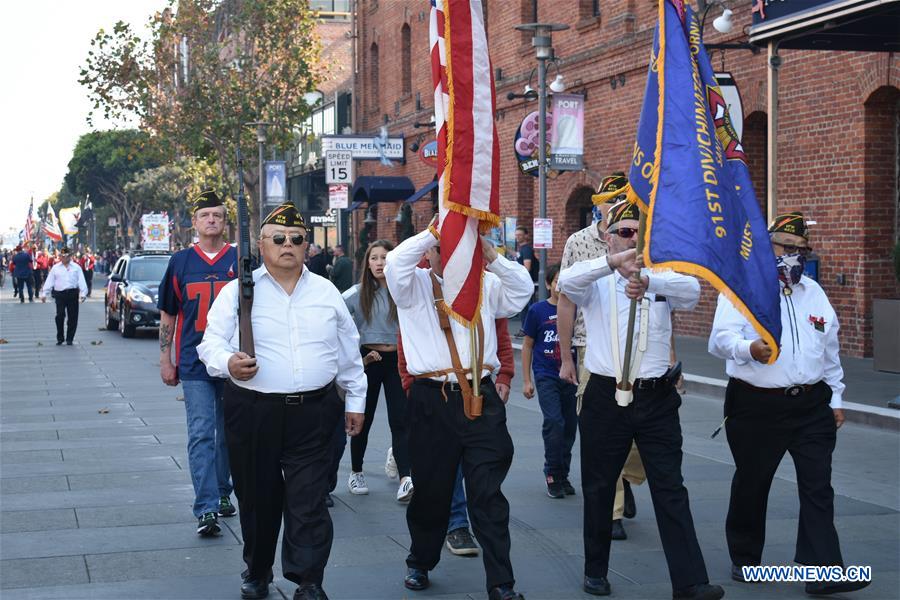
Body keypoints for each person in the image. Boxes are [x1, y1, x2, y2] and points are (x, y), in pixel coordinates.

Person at [198, 203, 366, 600]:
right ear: (261, 245)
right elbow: (210, 344)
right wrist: (228, 362)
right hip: (253, 411)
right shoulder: (237, 291)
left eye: (296, 239)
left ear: (308, 245)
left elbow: (349, 352)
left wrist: (356, 398)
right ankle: (257, 569)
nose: (287, 245)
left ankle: (308, 580)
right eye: (278, 238)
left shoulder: (326, 292)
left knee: (309, 501)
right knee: (258, 499)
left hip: (314, 411)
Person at [559, 200, 723, 600]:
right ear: (609, 237)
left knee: (671, 487)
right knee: (599, 487)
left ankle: (690, 582)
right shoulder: (596, 278)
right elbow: (566, 283)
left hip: (655, 397)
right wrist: (613, 265)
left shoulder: (662, 276)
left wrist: (650, 281)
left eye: (640, 232)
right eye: (626, 233)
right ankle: (595, 569)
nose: (634, 240)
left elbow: (693, 292)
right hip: (605, 394)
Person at [708, 212, 869, 596]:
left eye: (801, 250)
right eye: (786, 248)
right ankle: (745, 557)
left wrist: (837, 397)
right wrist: (748, 348)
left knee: (818, 485)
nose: (794, 256)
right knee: (753, 481)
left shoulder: (814, 292)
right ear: (767, 248)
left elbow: (829, 350)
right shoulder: (742, 287)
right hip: (756, 405)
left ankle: (822, 569)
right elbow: (719, 339)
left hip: (811, 404)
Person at [385, 222, 532, 600]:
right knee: (431, 493)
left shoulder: (486, 284)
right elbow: (395, 262)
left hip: (481, 400)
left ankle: (502, 582)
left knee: (488, 495)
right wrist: (440, 228)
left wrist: (491, 254)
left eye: (457, 250)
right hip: (432, 401)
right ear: (429, 253)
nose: (450, 257)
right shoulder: (413, 286)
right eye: (442, 249)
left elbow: (522, 290)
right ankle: (420, 560)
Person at [558, 173, 646, 540]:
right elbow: (565, 297)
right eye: (609, 201)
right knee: (604, 429)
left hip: (638, 349)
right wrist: (565, 357)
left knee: (639, 437)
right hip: (591, 344)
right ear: (599, 207)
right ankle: (611, 514)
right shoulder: (579, 242)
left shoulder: (643, 238)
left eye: (622, 199)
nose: (615, 207)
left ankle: (626, 477)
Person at [397, 312, 516, 558]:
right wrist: (410, 383)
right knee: (431, 486)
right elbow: (405, 334)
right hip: (433, 393)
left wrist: (505, 372)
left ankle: (501, 581)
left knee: (487, 487)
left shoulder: (485, 277)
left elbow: (499, 324)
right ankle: (421, 559)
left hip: (478, 392)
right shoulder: (420, 277)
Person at [157, 191, 238, 538]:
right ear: (195, 222)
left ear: (224, 221)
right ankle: (206, 507)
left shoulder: (239, 257)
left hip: (234, 361)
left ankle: (222, 493)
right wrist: (166, 358)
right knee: (202, 433)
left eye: (217, 215)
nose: (211, 220)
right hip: (193, 361)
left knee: (229, 435)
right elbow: (169, 314)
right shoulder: (180, 262)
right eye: (205, 215)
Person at [341, 240, 413, 502]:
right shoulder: (356, 293)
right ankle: (356, 471)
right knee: (363, 418)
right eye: (375, 258)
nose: (380, 263)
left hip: (397, 361)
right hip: (369, 361)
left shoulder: (402, 291)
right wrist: (357, 353)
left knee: (401, 419)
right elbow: (335, 319)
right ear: (367, 262)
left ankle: (406, 477)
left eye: (385, 257)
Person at [522, 263, 578, 499]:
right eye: (556, 282)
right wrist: (527, 380)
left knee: (570, 427)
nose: (559, 286)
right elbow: (527, 346)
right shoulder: (537, 311)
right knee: (554, 422)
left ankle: (563, 473)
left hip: (572, 377)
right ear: (548, 284)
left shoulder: (577, 309)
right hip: (546, 375)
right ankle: (552, 473)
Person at [40, 247, 87, 345]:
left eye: (66, 256)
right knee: (60, 315)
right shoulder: (55, 268)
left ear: (70, 256)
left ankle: (70, 338)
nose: (64, 258)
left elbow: (81, 281)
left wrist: (83, 294)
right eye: (62, 256)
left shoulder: (76, 267)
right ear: (60, 257)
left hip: (72, 293)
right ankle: (60, 337)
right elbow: (50, 281)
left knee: (73, 317)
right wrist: (44, 293)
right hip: (60, 294)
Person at [513, 226, 539, 336]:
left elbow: (527, 267)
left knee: (528, 307)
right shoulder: (522, 249)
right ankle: (525, 329)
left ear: (526, 236)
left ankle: (528, 330)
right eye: (516, 235)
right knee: (525, 307)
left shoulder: (527, 249)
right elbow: (518, 256)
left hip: (529, 283)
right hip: (525, 283)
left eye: (520, 235)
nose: (518, 237)